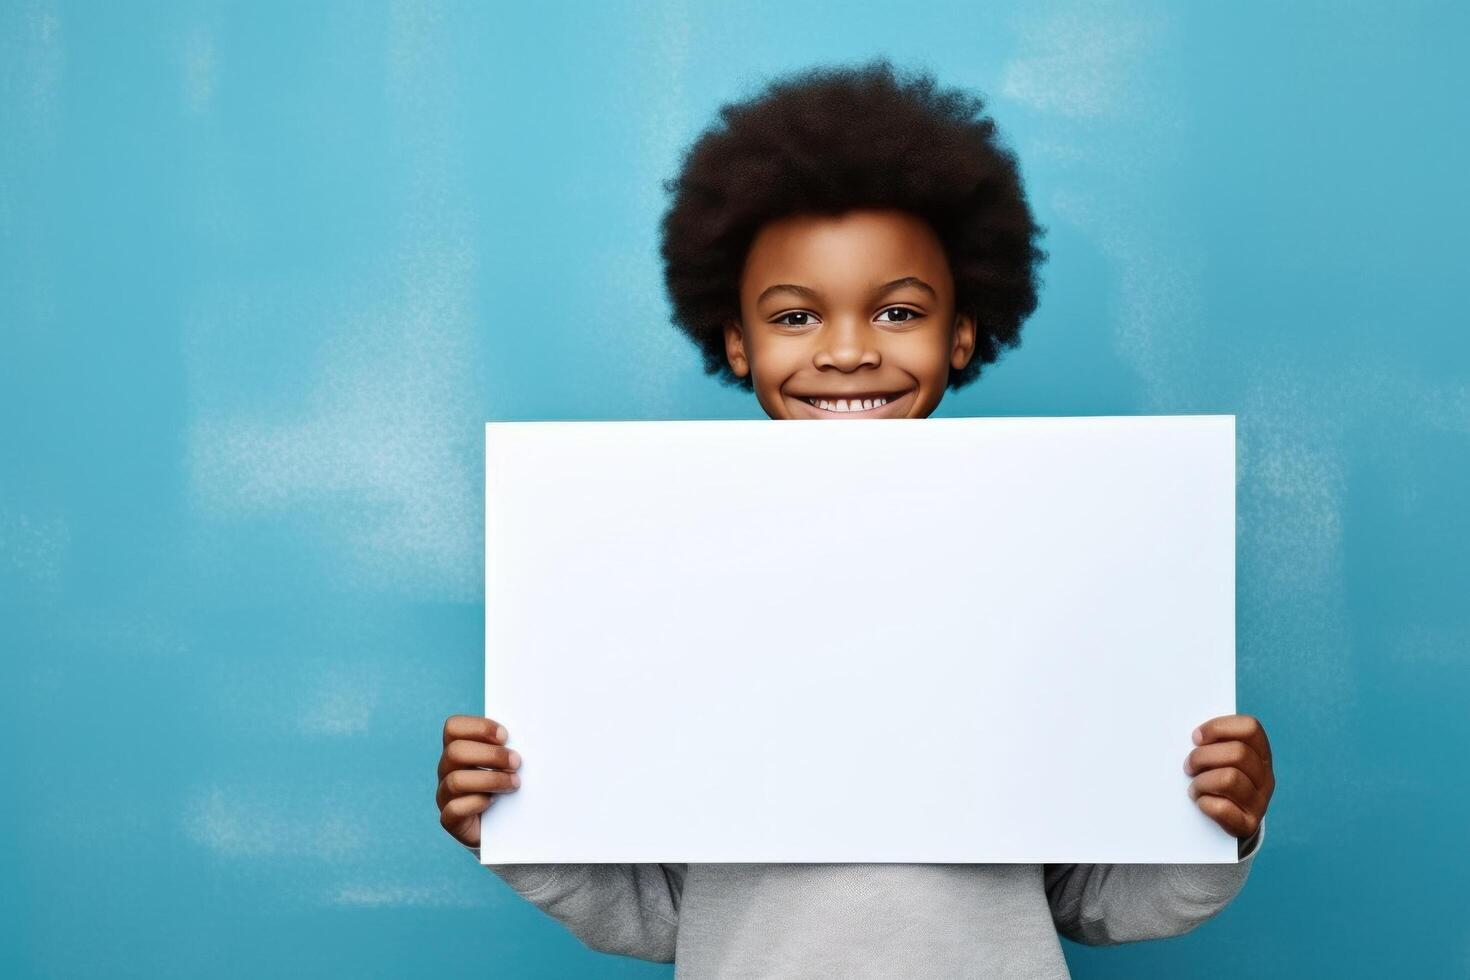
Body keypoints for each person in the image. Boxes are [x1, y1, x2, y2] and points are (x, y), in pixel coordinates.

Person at [436, 58, 1275, 978]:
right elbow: (662, 913)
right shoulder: (671, 576)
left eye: (898, 310)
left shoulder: (1052, 562)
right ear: (736, 341)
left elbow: (1092, 900)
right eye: (795, 317)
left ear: (961, 331)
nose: (845, 351)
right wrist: (520, 822)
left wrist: (1214, 823)